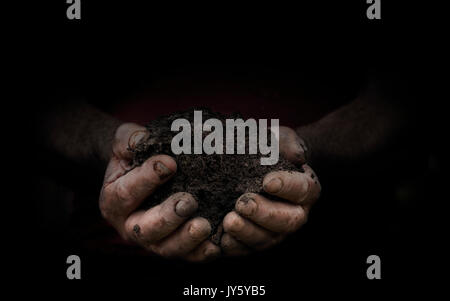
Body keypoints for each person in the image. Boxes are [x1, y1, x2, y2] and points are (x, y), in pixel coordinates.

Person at [34, 67, 415, 262]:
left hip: (344, 236)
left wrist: (309, 150)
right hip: (114, 247)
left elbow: (402, 99)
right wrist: (109, 146)